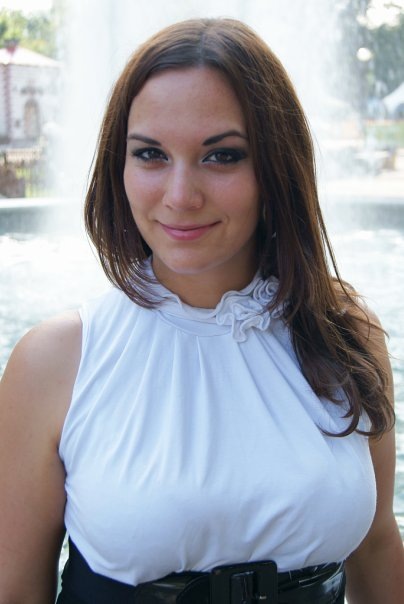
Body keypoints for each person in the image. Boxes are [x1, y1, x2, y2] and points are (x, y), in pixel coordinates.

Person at [0, 17, 403, 604]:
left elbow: (378, 547)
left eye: (221, 156)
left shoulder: (345, 332)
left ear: (277, 167)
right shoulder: (54, 362)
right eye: (151, 154)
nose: (180, 195)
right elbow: (14, 589)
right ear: (119, 164)